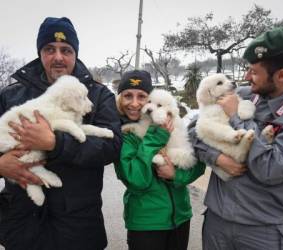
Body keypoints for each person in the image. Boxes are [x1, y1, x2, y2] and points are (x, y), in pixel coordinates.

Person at [0, 17, 122, 250]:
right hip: (21, 227)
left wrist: (56, 143)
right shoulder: (11, 95)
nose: (58, 57)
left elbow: (112, 146)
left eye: (66, 50)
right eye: (49, 49)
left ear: (75, 53)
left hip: (77, 228)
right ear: (40, 53)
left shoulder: (97, 95)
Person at [189, 26, 283, 250]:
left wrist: (237, 119)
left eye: (254, 72)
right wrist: (217, 158)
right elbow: (193, 128)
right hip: (217, 222)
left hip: (261, 231)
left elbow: (272, 169)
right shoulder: (244, 94)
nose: (246, 77)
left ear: (281, 75)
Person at [114, 69, 206, 250]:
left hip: (180, 217)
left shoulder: (172, 122)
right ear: (119, 100)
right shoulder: (124, 135)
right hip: (146, 223)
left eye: (141, 96)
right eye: (127, 96)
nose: (134, 103)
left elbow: (198, 164)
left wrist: (175, 175)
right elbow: (137, 180)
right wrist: (156, 137)